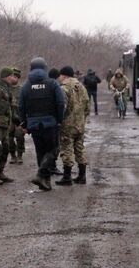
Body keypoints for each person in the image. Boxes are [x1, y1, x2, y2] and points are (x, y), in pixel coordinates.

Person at [18, 56, 65, 191]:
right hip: (50, 123)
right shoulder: (52, 83)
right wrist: (59, 120)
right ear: (45, 68)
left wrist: (25, 124)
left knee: (40, 152)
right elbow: (60, 103)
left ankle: (46, 182)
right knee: (54, 149)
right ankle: (41, 174)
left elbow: (21, 107)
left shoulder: (26, 86)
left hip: (33, 124)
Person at [56, 66, 90, 185]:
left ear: (64, 75)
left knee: (67, 149)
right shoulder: (82, 87)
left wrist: (59, 120)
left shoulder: (64, 88)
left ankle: (67, 177)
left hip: (68, 125)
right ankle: (82, 176)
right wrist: (82, 119)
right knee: (80, 148)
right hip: (80, 125)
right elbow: (87, 106)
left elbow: (62, 107)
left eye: (60, 75)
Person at [8, 67, 25, 165]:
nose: (13, 78)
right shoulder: (5, 88)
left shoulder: (22, 89)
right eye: (12, 76)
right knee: (9, 138)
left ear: (18, 78)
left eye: (15, 76)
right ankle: (12, 155)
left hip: (19, 117)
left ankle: (20, 155)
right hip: (9, 117)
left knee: (20, 137)